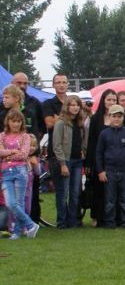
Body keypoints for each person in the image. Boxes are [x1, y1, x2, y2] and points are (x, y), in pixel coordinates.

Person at [86, 90, 125, 227]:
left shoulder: (124, 118)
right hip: (100, 161)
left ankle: (118, 218)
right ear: (103, 101)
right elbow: (91, 142)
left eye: (114, 100)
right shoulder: (96, 118)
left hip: (119, 162)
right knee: (100, 190)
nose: (111, 102)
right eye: (108, 100)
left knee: (119, 192)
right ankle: (99, 218)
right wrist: (89, 162)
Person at [96, 105, 125, 228]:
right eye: (114, 116)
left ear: (123, 117)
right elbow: (99, 153)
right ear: (109, 117)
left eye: (119, 116)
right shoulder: (104, 134)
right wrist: (100, 171)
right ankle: (110, 221)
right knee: (110, 199)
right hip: (109, 170)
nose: (116, 119)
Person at [0, 109, 40, 239]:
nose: (16, 124)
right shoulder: (2, 135)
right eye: (13, 121)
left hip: (21, 171)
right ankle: (30, 224)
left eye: (18, 121)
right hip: (6, 172)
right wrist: (12, 152)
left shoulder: (25, 136)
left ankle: (17, 232)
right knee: (10, 203)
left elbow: (24, 154)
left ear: (22, 122)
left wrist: (7, 152)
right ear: (8, 122)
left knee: (19, 202)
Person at [51, 95, 87, 228]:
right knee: (63, 193)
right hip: (65, 161)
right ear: (67, 106)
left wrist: (83, 150)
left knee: (75, 193)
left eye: (77, 105)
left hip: (77, 161)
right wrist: (62, 164)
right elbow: (56, 145)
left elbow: (82, 140)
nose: (75, 107)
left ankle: (73, 221)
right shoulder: (61, 123)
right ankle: (61, 222)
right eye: (72, 105)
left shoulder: (79, 123)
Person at [42, 73, 69, 221]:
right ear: (53, 85)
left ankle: (73, 219)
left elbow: (78, 122)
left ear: (67, 84)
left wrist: (58, 118)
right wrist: (67, 117)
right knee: (61, 190)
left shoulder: (72, 102)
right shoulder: (48, 104)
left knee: (74, 190)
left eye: (64, 82)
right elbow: (49, 124)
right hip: (55, 152)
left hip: (73, 151)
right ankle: (62, 220)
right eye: (58, 82)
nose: (61, 85)